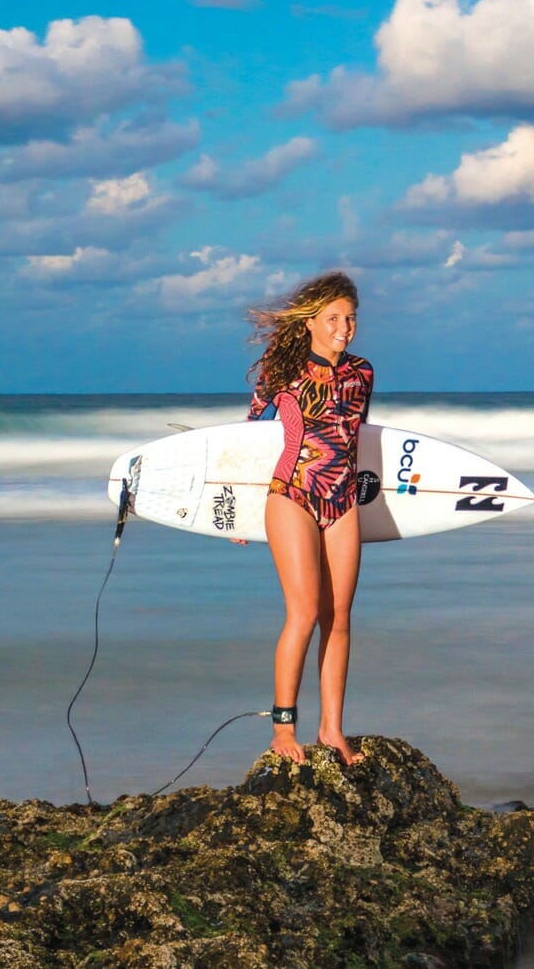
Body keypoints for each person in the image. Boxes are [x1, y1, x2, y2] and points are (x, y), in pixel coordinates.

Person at [238, 271, 374, 766]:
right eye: (334, 318)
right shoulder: (282, 370)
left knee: (338, 619)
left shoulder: (362, 373)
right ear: (310, 322)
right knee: (303, 614)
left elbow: (358, 441)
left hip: (342, 500)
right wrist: (233, 516)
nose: (344, 327)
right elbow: (250, 438)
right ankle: (283, 727)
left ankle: (332, 729)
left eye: (351, 318)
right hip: (291, 493)